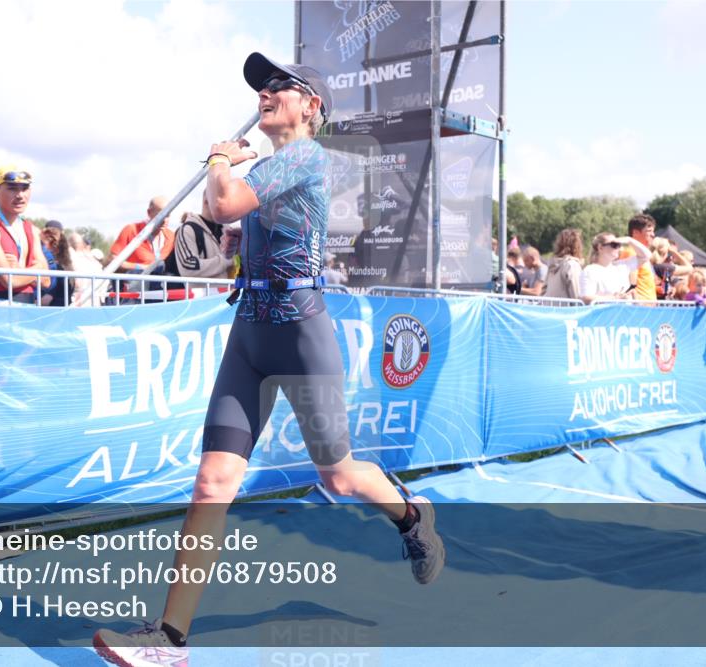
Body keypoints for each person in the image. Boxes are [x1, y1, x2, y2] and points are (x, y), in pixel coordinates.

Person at [93, 53, 445, 667]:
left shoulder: (306, 156)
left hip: (300, 330)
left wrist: (220, 160)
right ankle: (170, 641)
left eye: (281, 84)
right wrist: (236, 233)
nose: (267, 91)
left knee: (338, 477)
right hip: (250, 331)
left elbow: (224, 202)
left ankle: (412, 518)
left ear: (311, 106)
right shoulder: (269, 167)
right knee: (212, 482)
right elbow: (232, 221)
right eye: (263, 85)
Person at [0, 166, 49, 304]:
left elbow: (46, 281)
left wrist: (19, 270)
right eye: (12, 188)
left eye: (25, 188)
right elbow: (9, 281)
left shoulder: (30, 228)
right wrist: (37, 270)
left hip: (28, 307)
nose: (20, 195)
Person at [172, 192, 234, 280]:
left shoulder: (228, 230)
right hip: (204, 289)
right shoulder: (188, 230)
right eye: (222, 202)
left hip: (230, 288)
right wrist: (227, 260)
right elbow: (188, 268)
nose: (226, 207)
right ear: (206, 201)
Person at [109, 195, 175, 274]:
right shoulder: (131, 230)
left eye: (168, 215)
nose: (164, 220)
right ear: (149, 212)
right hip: (134, 280)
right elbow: (112, 260)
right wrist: (140, 267)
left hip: (161, 281)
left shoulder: (172, 236)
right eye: (161, 215)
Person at [579, 232, 650, 304]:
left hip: (625, 310)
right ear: (600, 248)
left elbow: (646, 256)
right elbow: (586, 297)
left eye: (619, 245)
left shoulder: (622, 266)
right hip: (606, 311)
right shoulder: (590, 270)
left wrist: (629, 240)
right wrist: (614, 298)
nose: (619, 248)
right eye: (614, 245)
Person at [620, 213, 658, 301]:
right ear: (635, 233)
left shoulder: (641, 253)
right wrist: (637, 304)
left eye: (653, 231)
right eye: (649, 231)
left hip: (647, 306)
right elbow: (631, 285)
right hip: (640, 306)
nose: (653, 234)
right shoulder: (631, 252)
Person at [68, 232, 108, 306]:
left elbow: (77, 283)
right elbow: (104, 283)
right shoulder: (94, 261)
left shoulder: (72, 258)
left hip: (79, 300)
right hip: (94, 301)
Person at [39, 220, 73, 307]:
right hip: (44, 298)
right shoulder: (40, 250)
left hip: (57, 300)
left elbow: (68, 283)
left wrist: (51, 294)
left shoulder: (64, 259)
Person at [544, 228, 584, 300]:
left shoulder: (552, 265)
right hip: (566, 306)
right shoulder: (572, 265)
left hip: (550, 306)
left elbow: (544, 290)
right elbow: (576, 294)